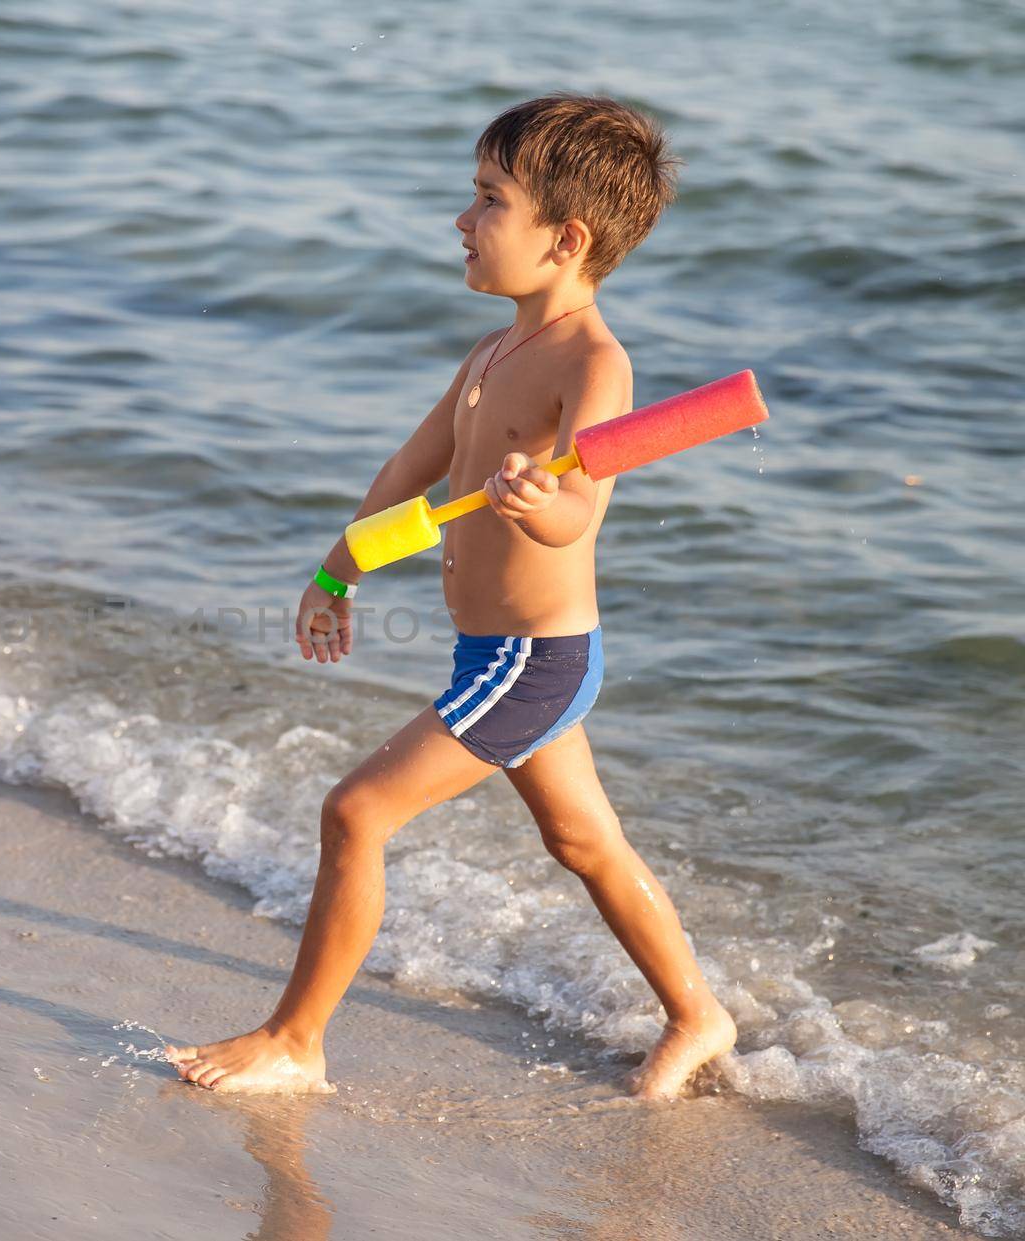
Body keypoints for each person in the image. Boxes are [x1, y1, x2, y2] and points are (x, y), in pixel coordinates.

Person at [165, 92, 736, 1099]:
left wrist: (534, 506)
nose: (461, 220)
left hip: (535, 656)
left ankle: (296, 1036)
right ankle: (698, 1014)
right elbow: (412, 465)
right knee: (583, 840)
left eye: (487, 200)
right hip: (491, 653)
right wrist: (337, 567)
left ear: (565, 239)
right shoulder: (491, 353)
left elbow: (578, 517)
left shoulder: (595, 364)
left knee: (355, 810)